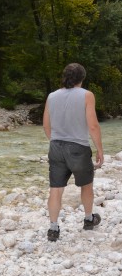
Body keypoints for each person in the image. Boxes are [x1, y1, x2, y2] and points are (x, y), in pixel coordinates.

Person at [43, 63, 104, 242]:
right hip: (78, 148)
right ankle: (88, 219)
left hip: (55, 146)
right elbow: (92, 125)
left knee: (56, 189)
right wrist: (100, 149)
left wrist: (55, 141)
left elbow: (46, 125)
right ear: (82, 78)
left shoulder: (51, 96)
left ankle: (53, 228)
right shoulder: (87, 95)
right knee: (86, 185)